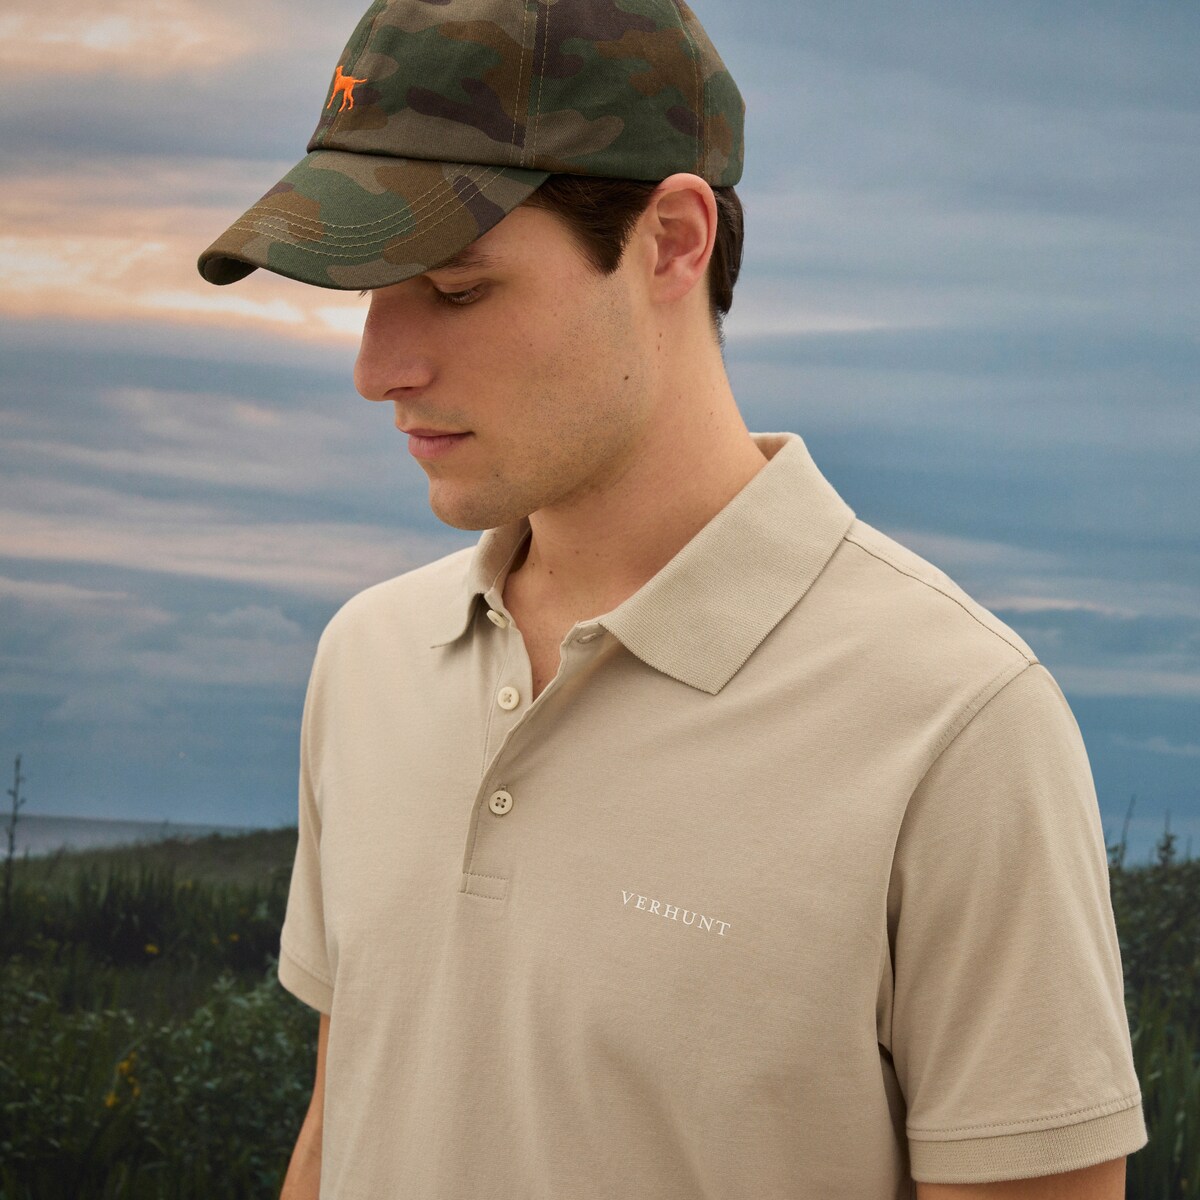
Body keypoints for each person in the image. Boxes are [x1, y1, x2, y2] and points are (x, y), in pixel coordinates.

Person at [197, 1, 1149, 1196]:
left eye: (455, 287)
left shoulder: (954, 723)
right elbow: (350, 1117)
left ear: (671, 241)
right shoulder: (370, 658)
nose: (377, 368)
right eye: (366, 295)